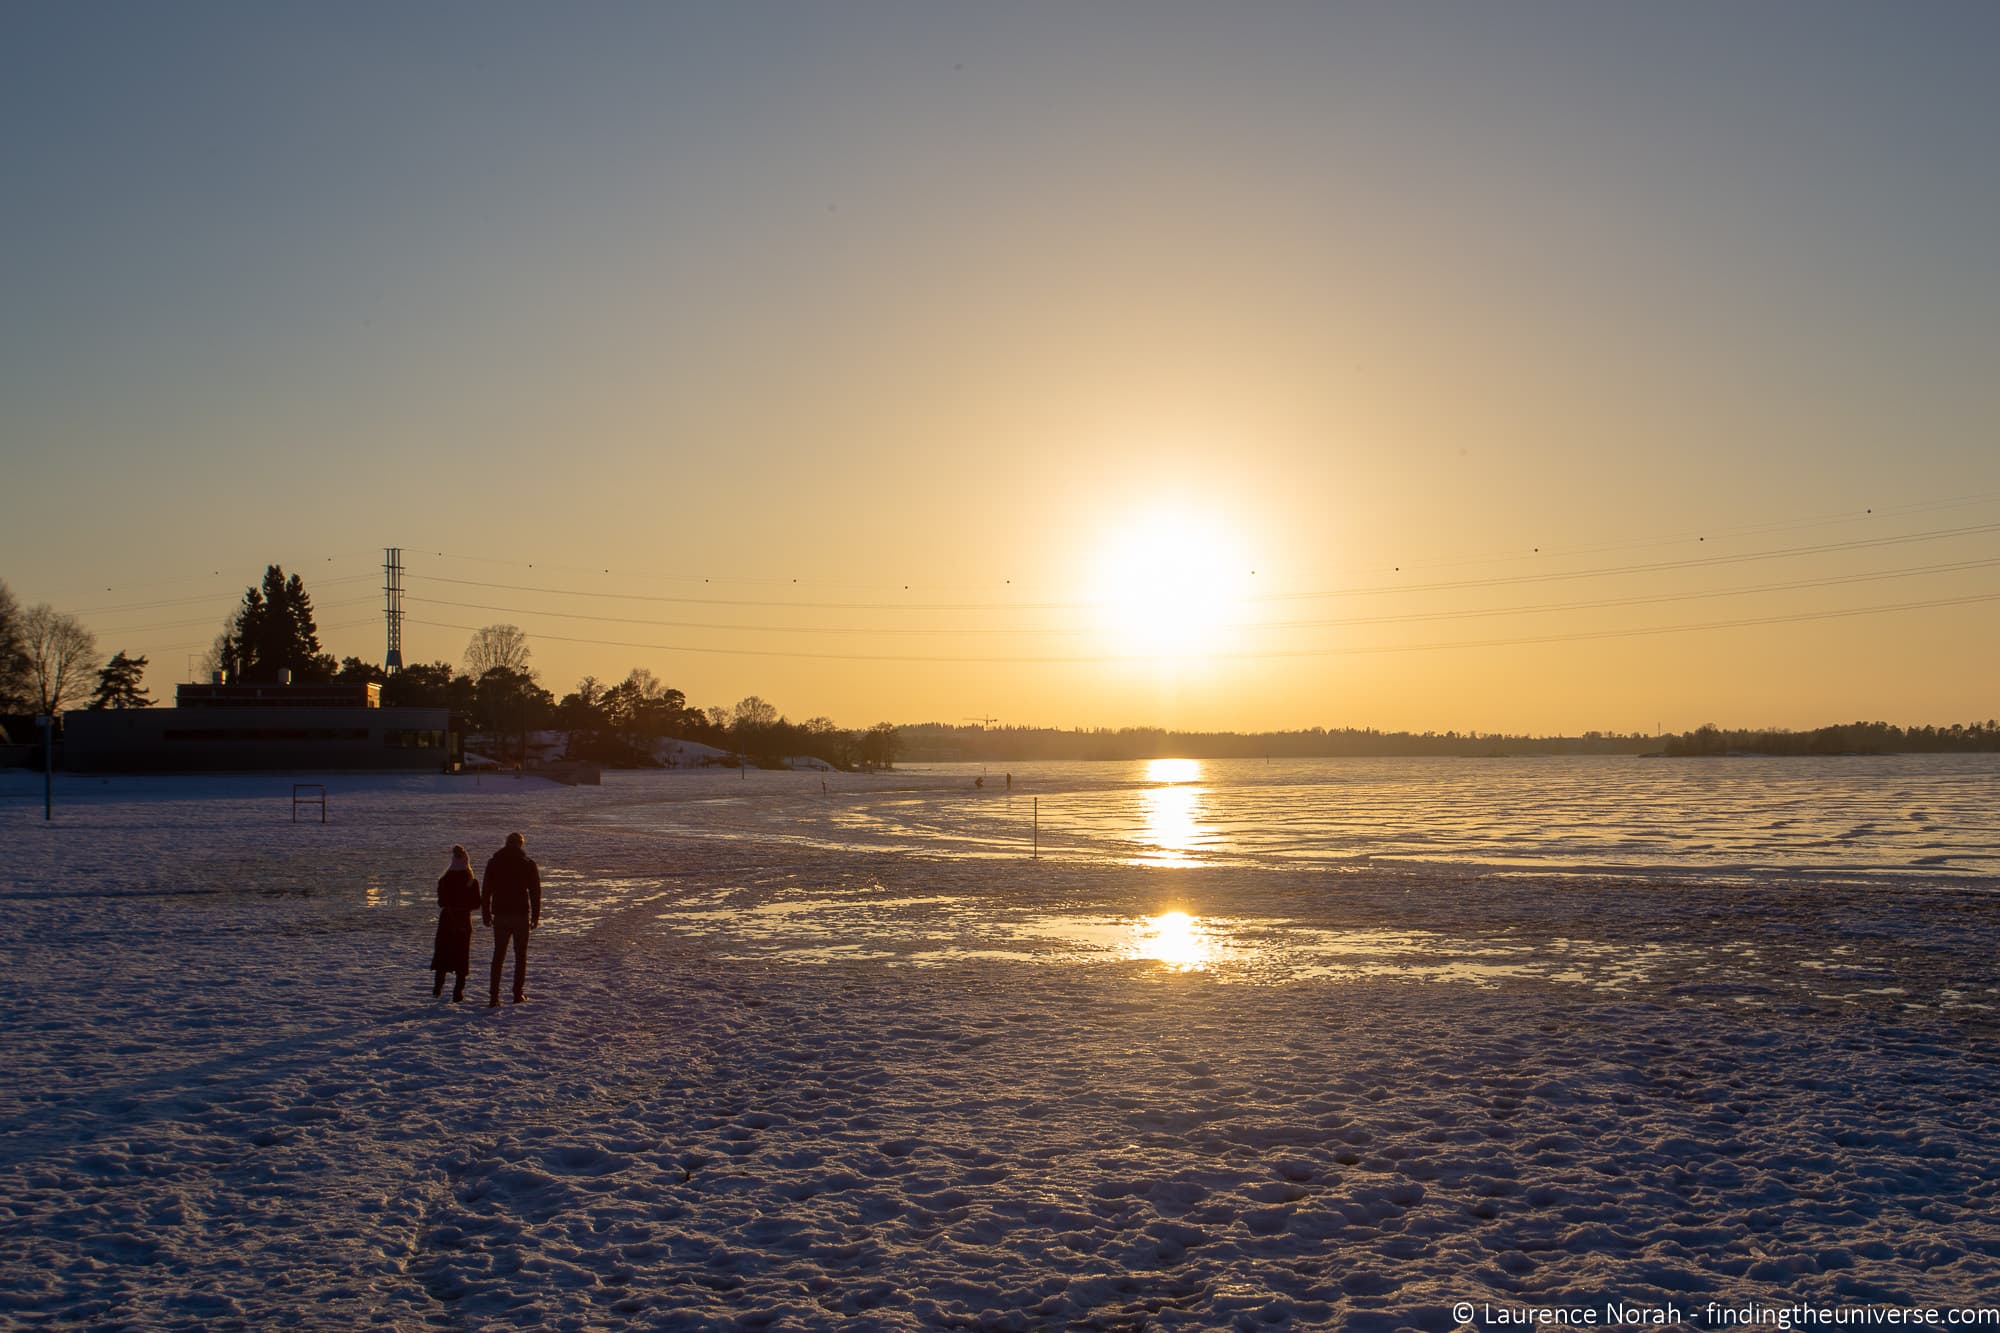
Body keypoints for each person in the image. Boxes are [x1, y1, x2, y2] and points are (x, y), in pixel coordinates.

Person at [481, 831, 543, 1006]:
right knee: (520, 956)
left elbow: (486, 891)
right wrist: (536, 916)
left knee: (498, 956)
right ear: (521, 845)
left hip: (500, 914)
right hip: (520, 915)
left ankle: (494, 997)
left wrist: (486, 913)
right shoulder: (528, 864)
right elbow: (535, 892)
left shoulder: (494, 863)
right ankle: (517, 994)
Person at [429, 845, 482, 1001]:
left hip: (447, 920)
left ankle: (437, 989)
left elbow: (441, 902)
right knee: (462, 955)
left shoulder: (444, 879)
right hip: (463, 920)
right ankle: (458, 992)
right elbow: (476, 904)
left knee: (442, 954)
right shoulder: (472, 881)